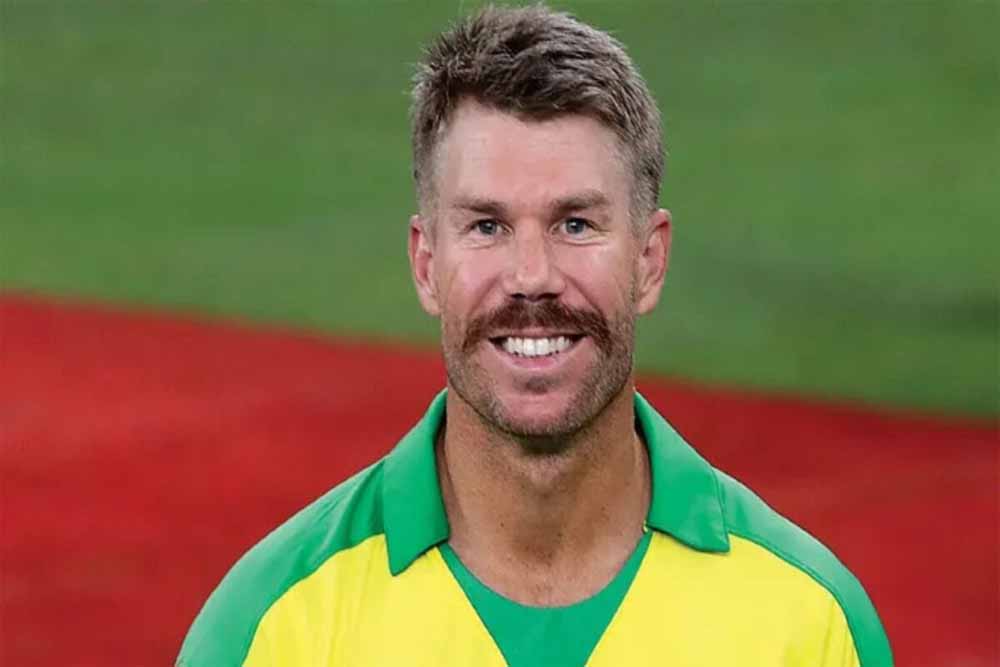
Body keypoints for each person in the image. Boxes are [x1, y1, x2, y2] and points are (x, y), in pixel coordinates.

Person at [177, 5, 892, 666]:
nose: (531, 277)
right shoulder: (271, 630)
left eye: (575, 224)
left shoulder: (810, 625)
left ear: (650, 260)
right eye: (487, 226)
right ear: (427, 265)